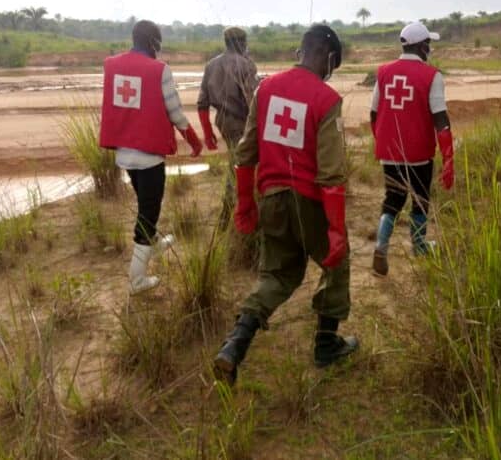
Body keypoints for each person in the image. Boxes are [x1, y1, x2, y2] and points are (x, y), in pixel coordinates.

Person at [213, 25, 358, 385]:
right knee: (336, 264)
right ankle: (326, 345)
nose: (330, 72)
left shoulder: (265, 90)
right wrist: (337, 230)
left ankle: (234, 346)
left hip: (272, 199)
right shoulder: (327, 100)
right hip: (310, 201)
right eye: (332, 65)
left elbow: (245, 155)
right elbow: (331, 173)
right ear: (326, 57)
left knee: (276, 276)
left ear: (299, 51)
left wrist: (245, 204)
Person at [100, 20, 203, 294]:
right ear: (153, 42)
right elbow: (175, 112)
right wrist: (194, 142)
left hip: (124, 155)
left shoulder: (112, 65)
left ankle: (154, 242)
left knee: (144, 201)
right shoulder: (160, 70)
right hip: (149, 157)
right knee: (148, 212)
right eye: (159, 43)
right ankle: (137, 279)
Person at [370, 21, 455, 277]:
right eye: (428, 44)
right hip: (418, 153)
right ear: (420, 46)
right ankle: (419, 247)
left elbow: (374, 113)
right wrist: (449, 159)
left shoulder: (383, 72)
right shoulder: (432, 75)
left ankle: (381, 246)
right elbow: (441, 120)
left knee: (393, 199)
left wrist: (382, 141)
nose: (430, 48)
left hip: (390, 152)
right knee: (420, 199)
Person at [197, 27, 259, 229]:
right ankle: (229, 216)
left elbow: (202, 103)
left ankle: (234, 213)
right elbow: (252, 100)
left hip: (222, 121)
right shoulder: (246, 64)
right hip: (241, 121)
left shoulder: (211, 64)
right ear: (242, 43)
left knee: (237, 162)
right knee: (240, 166)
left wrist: (208, 134)